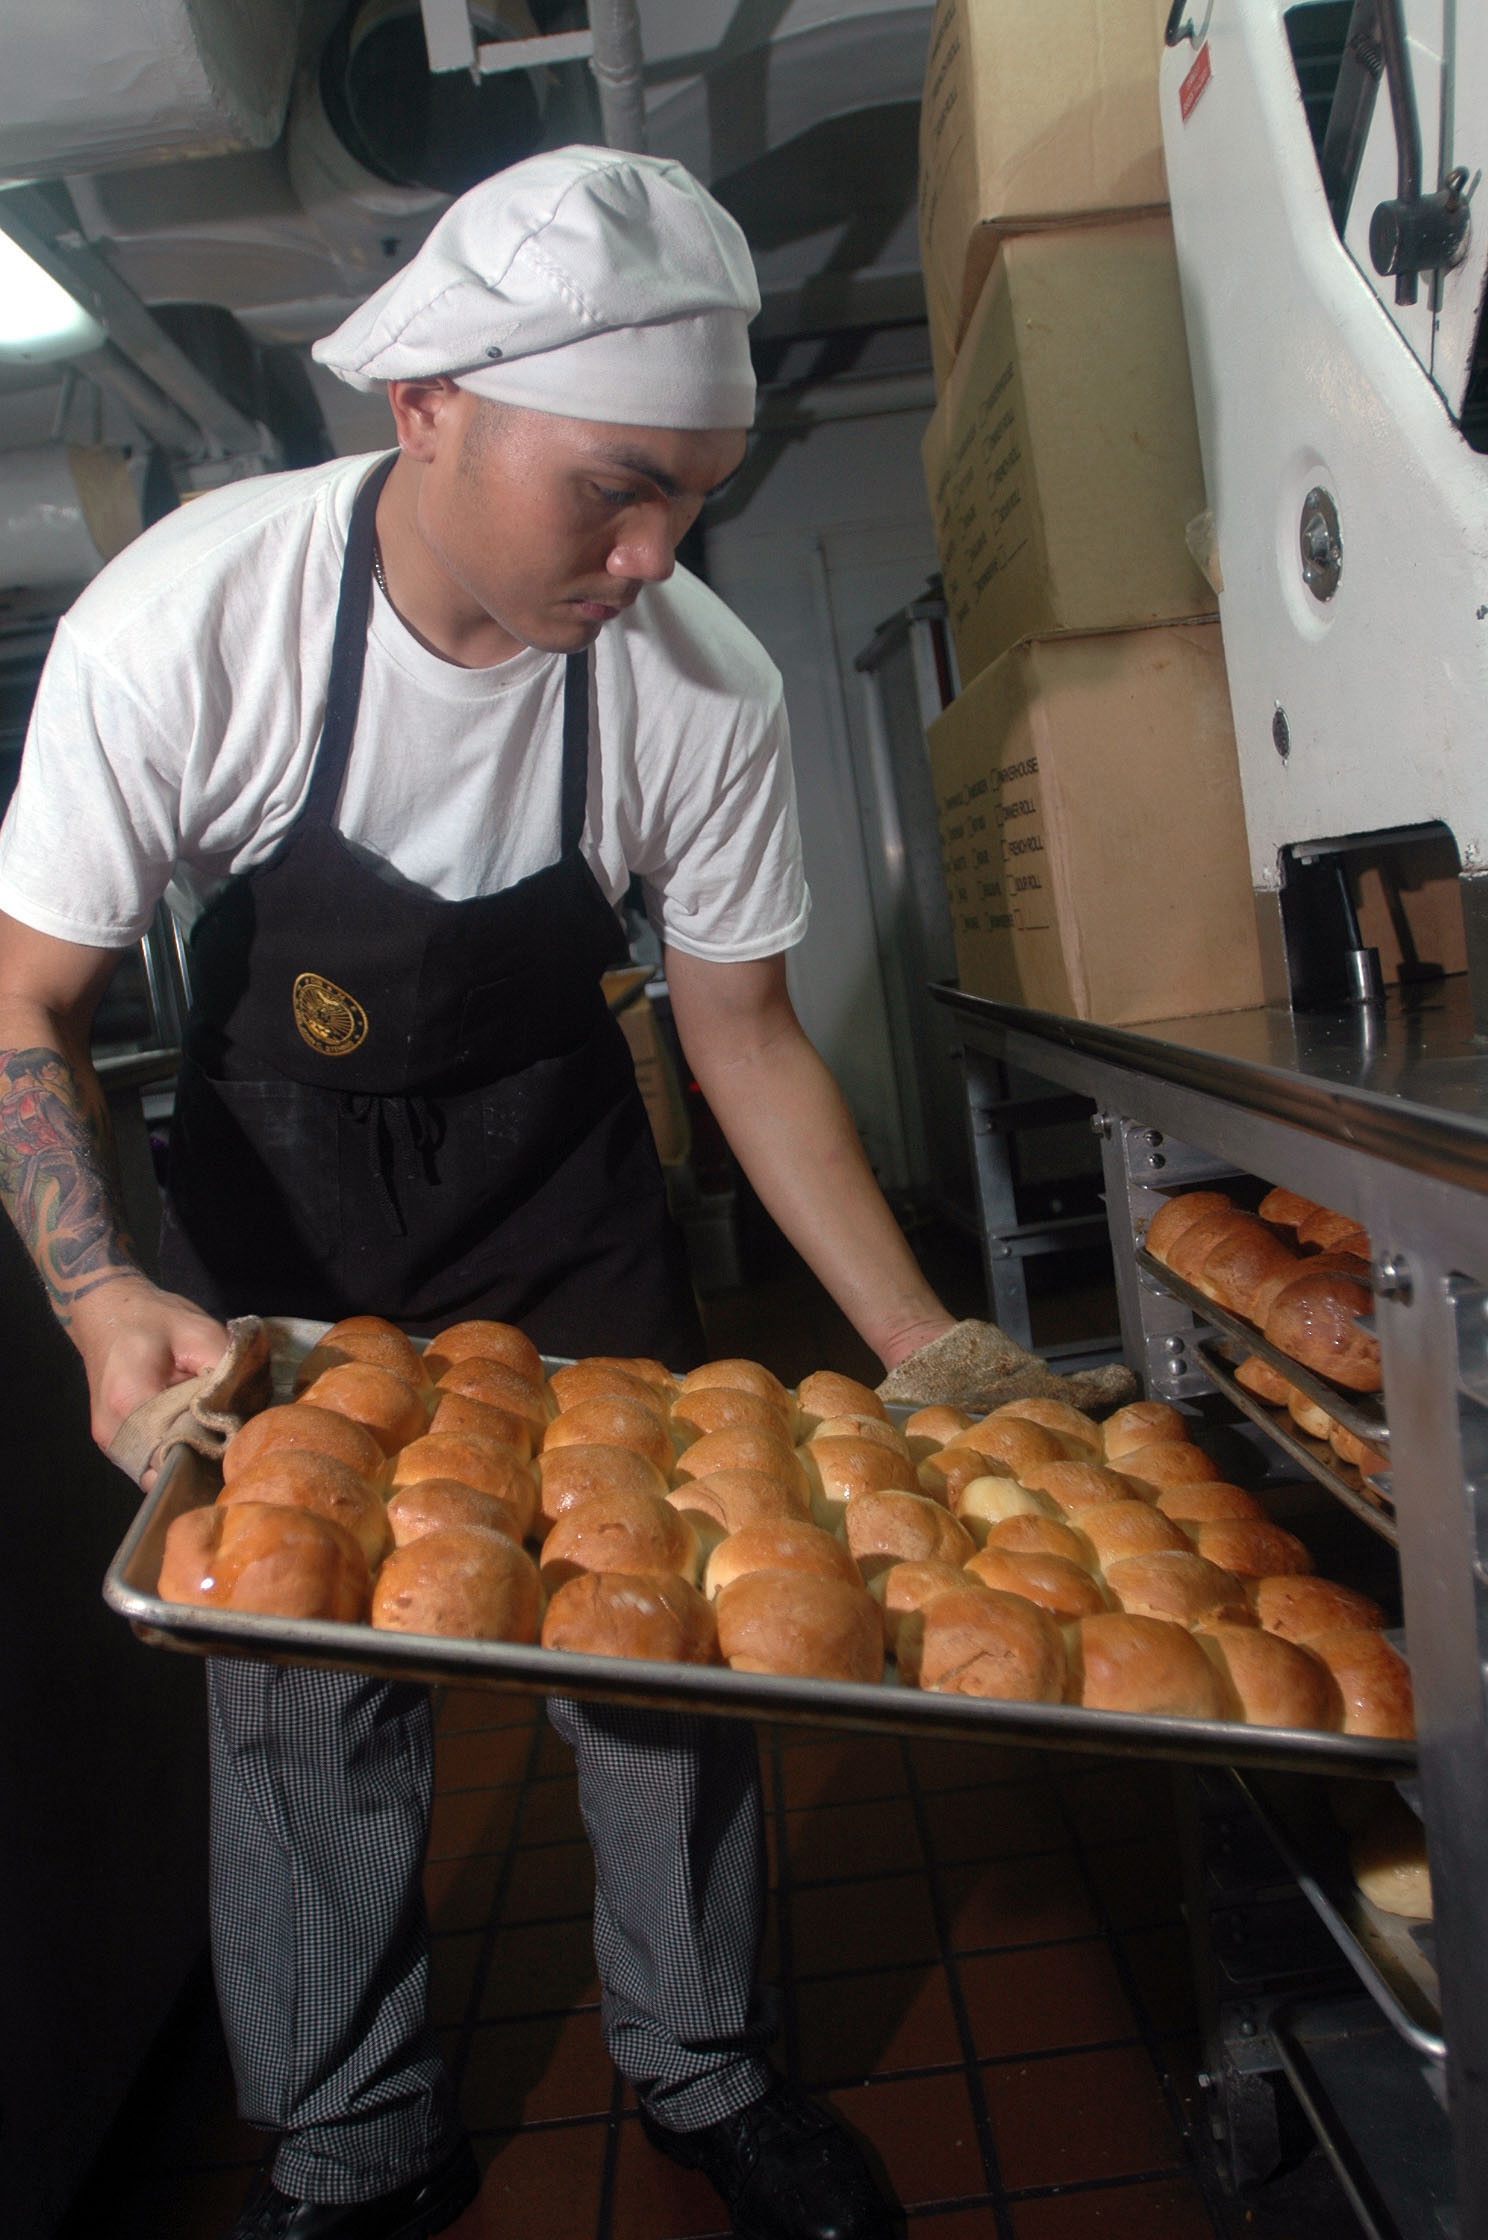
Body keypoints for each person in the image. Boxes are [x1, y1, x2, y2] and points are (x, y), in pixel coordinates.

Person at [0, 148, 994, 2240]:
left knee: (667, 1644)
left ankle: (706, 2065)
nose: (651, 556)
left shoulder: (698, 682)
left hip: (562, 1182)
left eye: (696, 500)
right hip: (280, 1200)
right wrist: (101, 1295)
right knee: (304, 1672)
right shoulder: (191, 620)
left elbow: (741, 1034)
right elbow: (30, 1001)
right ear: (425, 405)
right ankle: (355, 2142)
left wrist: (924, 1344)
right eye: (613, 488)